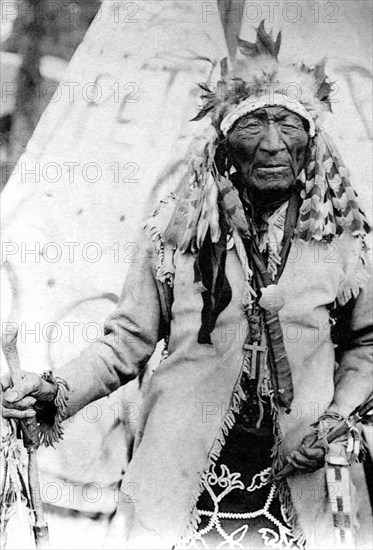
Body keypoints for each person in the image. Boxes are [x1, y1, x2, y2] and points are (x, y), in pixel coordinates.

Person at [1, 21, 372, 550]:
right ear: (224, 144)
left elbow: (367, 343)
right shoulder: (176, 231)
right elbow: (125, 344)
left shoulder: (340, 237)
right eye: (253, 125)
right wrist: (54, 391)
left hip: (302, 480)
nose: (271, 144)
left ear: (312, 139)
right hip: (179, 486)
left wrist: (337, 416)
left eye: (287, 125)